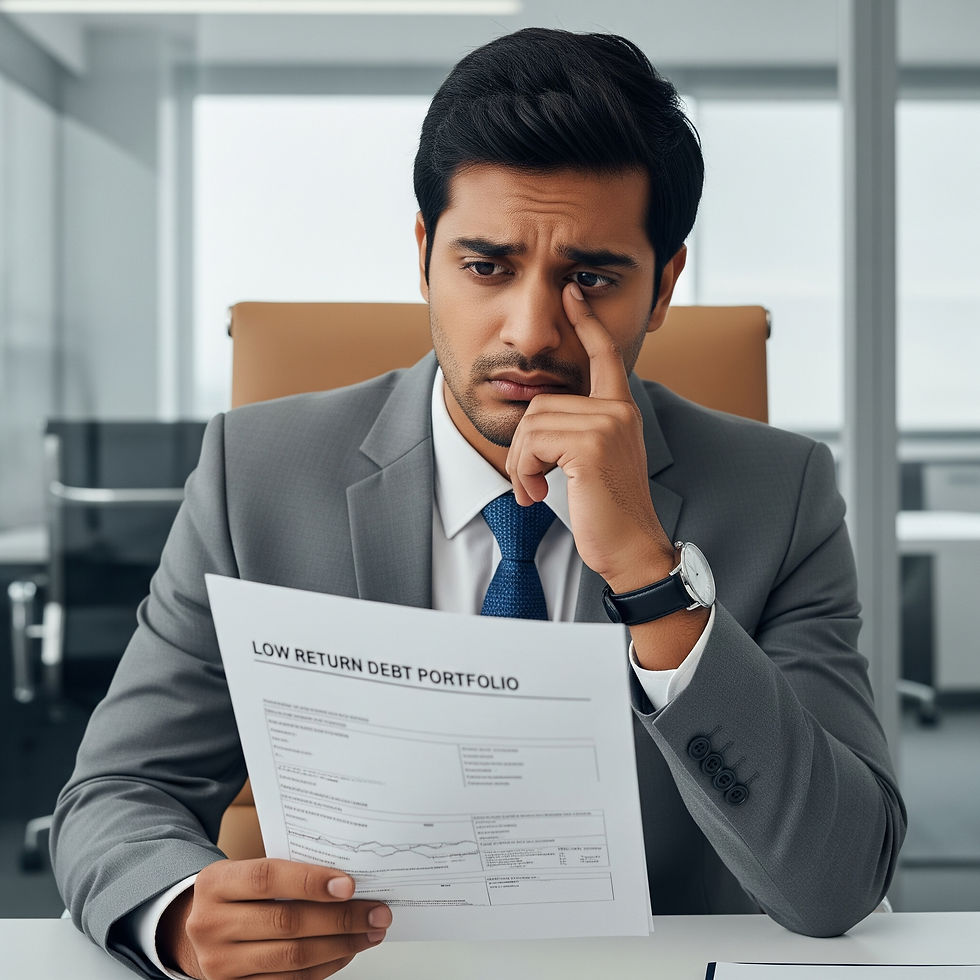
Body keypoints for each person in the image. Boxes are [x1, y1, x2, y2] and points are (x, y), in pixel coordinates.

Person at [51, 26, 906, 980]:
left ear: (664, 286)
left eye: (590, 277)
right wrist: (174, 915)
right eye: (486, 266)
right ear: (425, 256)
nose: (532, 330)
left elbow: (838, 883)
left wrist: (651, 580)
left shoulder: (780, 493)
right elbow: (116, 795)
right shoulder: (254, 475)